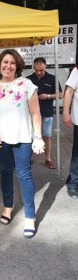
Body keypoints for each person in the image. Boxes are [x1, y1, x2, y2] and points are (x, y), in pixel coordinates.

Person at [0, 49, 45, 238]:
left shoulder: (26, 84)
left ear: (17, 66)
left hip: (22, 139)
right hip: (1, 140)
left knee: (24, 175)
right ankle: (8, 207)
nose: (8, 66)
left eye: (12, 62)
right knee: (4, 173)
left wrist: (38, 137)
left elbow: (36, 113)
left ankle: (29, 216)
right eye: (5, 62)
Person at [27, 57, 62, 169]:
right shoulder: (28, 79)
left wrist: (47, 96)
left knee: (47, 136)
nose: (39, 72)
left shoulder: (52, 78)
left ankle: (48, 159)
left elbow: (61, 95)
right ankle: (29, 157)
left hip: (46, 112)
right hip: (31, 113)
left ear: (45, 67)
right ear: (33, 67)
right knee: (31, 136)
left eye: (41, 70)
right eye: (36, 70)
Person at [63, 66, 78, 199]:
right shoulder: (77, 70)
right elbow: (69, 91)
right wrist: (66, 113)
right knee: (77, 154)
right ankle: (73, 183)